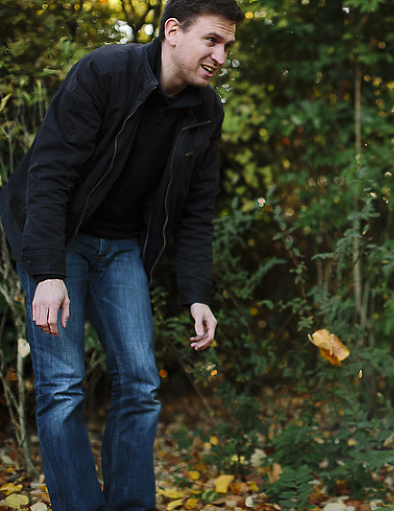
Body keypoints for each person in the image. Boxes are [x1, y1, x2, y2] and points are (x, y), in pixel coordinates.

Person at [0, 0, 244, 508]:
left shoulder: (206, 111)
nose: (220, 56)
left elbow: (197, 211)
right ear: (172, 31)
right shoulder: (105, 71)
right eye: (212, 41)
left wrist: (197, 295)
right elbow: (50, 172)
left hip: (121, 248)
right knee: (62, 387)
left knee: (139, 384)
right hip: (57, 238)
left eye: (228, 46)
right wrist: (46, 272)